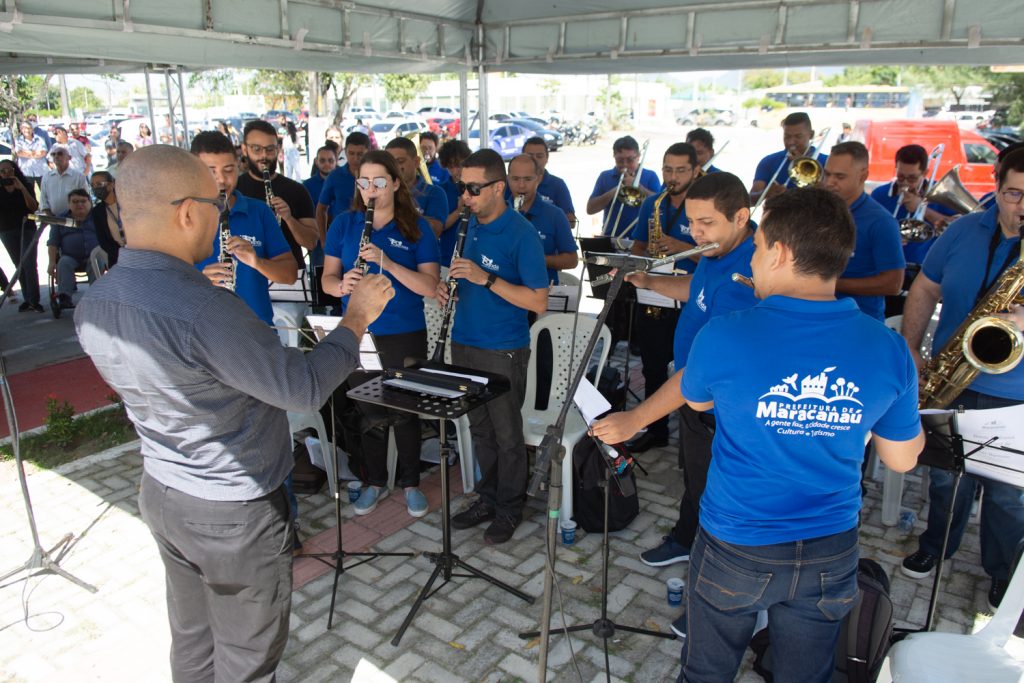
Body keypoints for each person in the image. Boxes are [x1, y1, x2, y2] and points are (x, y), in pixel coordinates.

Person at [74, 144, 393, 683]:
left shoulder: (97, 301)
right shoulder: (204, 309)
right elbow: (303, 388)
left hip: (163, 488)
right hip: (233, 510)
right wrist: (355, 320)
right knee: (247, 655)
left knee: (194, 640)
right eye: (214, 202)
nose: (220, 211)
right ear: (186, 212)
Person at [673, 187, 923, 682]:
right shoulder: (888, 347)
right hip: (831, 545)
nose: (756, 257)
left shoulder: (725, 334)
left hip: (736, 541)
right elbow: (902, 460)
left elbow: (699, 401)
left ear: (782, 253)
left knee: (707, 673)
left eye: (760, 246)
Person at [591, 173, 759, 638]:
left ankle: (714, 603)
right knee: (694, 479)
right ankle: (687, 538)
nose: (695, 233)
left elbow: (711, 364)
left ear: (741, 217)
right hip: (692, 398)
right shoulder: (716, 252)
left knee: (719, 501)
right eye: (691, 222)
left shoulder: (751, 269)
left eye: (706, 223)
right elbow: (696, 291)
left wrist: (638, 418)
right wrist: (648, 280)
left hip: (716, 405)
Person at [900, 147, 1024, 612]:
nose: (1021, 207)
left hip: (1016, 394)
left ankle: (1003, 572)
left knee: (1008, 496)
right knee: (945, 480)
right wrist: (912, 347)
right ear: (996, 186)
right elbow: (926, 287)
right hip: (953, 379)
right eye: (1013, 193)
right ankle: (937, 546)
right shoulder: (963, 230)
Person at [321, 150, 441, 517]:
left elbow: (430, 285)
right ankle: (374, 480)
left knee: (405, 411)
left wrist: (386, 261)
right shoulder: (344, 223)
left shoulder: (417, 228)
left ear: (394, 184)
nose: (370, 190)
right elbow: (327, 280)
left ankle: (410, 484)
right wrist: (342, 287)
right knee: (367, 410)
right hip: (359, 330)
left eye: (378, 182)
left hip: (405, 331)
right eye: (363, 182)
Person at [439, 149, 548, 545]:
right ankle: (487, 497)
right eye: (461, 187)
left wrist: (486, 279)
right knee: (480, 430)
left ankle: (509, 507)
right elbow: (463, 278)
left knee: (506, 435)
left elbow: (538, 301)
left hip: (503, 349)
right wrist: (445, 290)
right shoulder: (468, 225)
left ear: (497, 187)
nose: (464, 196)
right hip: (464, 342)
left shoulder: (521, 234)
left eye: (472, 188)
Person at [623, 142, 700, 452]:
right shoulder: (653, 203)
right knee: (652, 366)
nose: (673, 176)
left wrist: (678, 247)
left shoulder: (702, 208)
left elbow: (714, 259)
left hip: (690, 299)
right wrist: (643, 259)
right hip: (654, 296)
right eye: (668, 169)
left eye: (681, 170)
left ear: (695, 171)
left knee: (689, 368)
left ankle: (692, 434)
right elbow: (639, 247)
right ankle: (656, 431)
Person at [191, 131, 298, 326]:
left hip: (258, 334)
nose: (221, 180)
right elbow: (161, 287)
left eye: (229, 170)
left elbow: (290, 274)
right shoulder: (182, 216)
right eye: (211, 170)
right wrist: (199, 281)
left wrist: (257, 262)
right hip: (205, 335)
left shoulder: (259, 211)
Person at [822, 141, 905, 321]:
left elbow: (894, 284)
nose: (829, 182)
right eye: (826, 174)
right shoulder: (818, 211)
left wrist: (828, 284)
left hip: (860, 323)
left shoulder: (881, 222)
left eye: (839, 177)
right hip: (819, 318)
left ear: (863, 176)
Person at [237, 120, 318, 270]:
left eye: (270, 149)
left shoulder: (296, 190)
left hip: (289, 275)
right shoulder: (235, 189)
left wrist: (288, 218)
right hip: (245, 275)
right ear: (244, 149)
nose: (264, 156)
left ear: (278, 148)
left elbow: (311, 243)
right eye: (256, 149)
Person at [506, 154, 577, 285]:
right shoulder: (497, 212)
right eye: (515, 179)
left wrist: (538, 259)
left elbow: (572, 260)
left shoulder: (555, 215)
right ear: (507, 179)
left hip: (542, 295)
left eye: (528, 179)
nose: (521, 186)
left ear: (538, 179)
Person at [587, 135, 661, 237]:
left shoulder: (650, 176)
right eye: (620, 160)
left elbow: (660, 206)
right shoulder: (605, 176)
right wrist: (615, 191)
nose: (625, 164)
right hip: (610, 237)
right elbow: (590, 209)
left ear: (638, 156)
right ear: (614, 156)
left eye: (630, 160)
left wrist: (638, 187)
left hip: (642, 241)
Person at [749, 112, 829, 205]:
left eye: (798, 136)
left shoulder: (827, 162)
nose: (791, 142)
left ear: (811, 135)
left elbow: (835, 198)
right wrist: (766, 193)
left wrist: (804, 165)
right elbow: (750, 201)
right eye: (787, 137)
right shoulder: (769, 161)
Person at [384, 136, 449, 239]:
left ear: (416, 162)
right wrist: (418, 220)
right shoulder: (382, 191)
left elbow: (433, 231)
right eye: (390, 163)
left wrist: (392, 217)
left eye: (400, 161)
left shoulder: (435, 193)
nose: (394, 167)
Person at [0, 159, 42, 312]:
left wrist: (22, 189)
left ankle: (34, 299)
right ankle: (27, 298)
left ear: (14, 170)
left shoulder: (26, 185)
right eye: (2, 171)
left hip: (27, 227)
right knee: (19, 265)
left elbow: (33, 207)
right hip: (6, 230)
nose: (6, 174)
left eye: (9, 170)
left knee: (29, 263)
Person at [46, 189, 100, 309]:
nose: (79, 204)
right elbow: (53, 242)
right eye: (75, 202)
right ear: (69, 204)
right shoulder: (60, 218)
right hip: (70, 256)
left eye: (83, 201)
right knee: (63, 262)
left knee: (95, 260)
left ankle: (97, 296)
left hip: (94, 255)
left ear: (90, 202)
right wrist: (51, 262)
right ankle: (64, 296)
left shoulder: (98, 216)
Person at [317, 131, 370, 242]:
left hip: (371, 235)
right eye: (351, 153)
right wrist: (324, 240)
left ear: (368, 152)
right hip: (341, 237)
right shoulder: (335, 176)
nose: (356, 158)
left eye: (360, 154)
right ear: (345, 152)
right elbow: (321, 209)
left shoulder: (376, 178)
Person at [522, 136, 576, 226]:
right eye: (530, 156)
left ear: (547, 158)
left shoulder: (558, 185)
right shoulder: (509, 183)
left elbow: (572, 222)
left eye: (539, 156)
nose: (535, 160)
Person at [437, 139, 472, 265]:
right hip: (448, 256)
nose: (457, 171)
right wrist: (459, 211)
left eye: (460, 165)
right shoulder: (441, 190)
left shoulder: (478, 187)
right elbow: (439, 227)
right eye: (451, 167)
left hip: (474, 256)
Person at [39, 145, 89, 217]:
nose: (56, 156)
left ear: (69, 157)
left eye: (60, 154)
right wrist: (51, 217)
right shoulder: (47, 177)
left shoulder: (79, 176)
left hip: (73, 219)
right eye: (53, 154)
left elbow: (85, 199)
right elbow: (43, 200)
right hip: (53, 219)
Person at [91, 171, 124, 268]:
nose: (95, 188)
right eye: (93, 185)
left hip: (139, 253)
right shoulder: (97, 211)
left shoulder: (128, 203)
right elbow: (103, 241)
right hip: (117, 259)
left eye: (99, 184)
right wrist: (122, 255)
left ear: (111, 184)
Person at [304, 145, 338, 219]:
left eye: (330, 160)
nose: (327, 164)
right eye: (322, 160)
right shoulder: (307, 185)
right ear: (316, 161)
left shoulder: (343, 182)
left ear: (336, 161)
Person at [14, 120, 48, 190]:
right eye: (24, 128)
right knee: (29, 194)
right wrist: (34, 153)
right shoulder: (18, 140)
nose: (26, 130)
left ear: (32, 129)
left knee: (45, 194)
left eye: (28, 128)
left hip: (41, 171)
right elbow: (19, 153)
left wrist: (27, 152)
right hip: (26, 172)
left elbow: (43, 153)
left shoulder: (40, 139)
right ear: (21, 130)